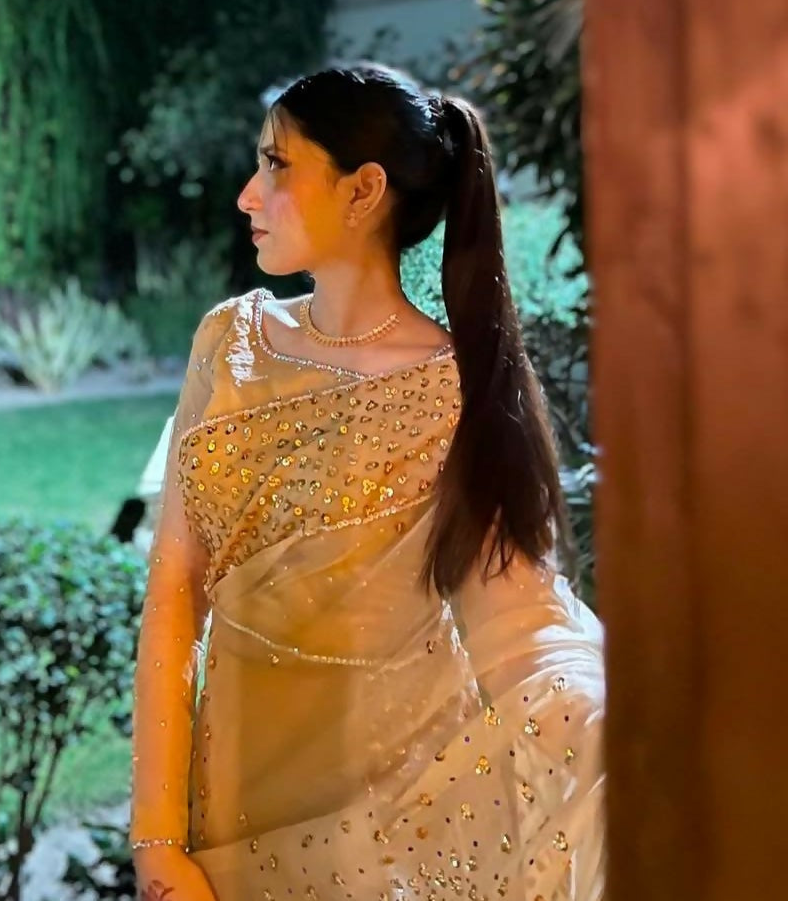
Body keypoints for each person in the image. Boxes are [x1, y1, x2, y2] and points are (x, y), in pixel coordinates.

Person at [129, 64, 604, 901]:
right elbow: (173, 592)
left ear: (363, 190)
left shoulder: (455, 390)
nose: (247, 194)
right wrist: (157, 839)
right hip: (219, 822)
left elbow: (523, 629)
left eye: (276, 164)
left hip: (386, 843)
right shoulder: (229, 343)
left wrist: (616, 724)